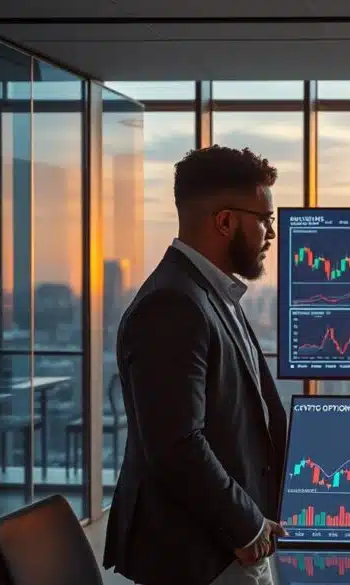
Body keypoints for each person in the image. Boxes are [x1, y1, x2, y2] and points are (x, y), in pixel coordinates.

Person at [103, 146, 288, 585]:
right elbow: (176, 442)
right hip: (201, 555)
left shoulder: (208, 293)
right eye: (264, 219)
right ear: (225, 221)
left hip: (229, 544)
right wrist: (247, 525)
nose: (271, 233)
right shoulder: (173, 304)